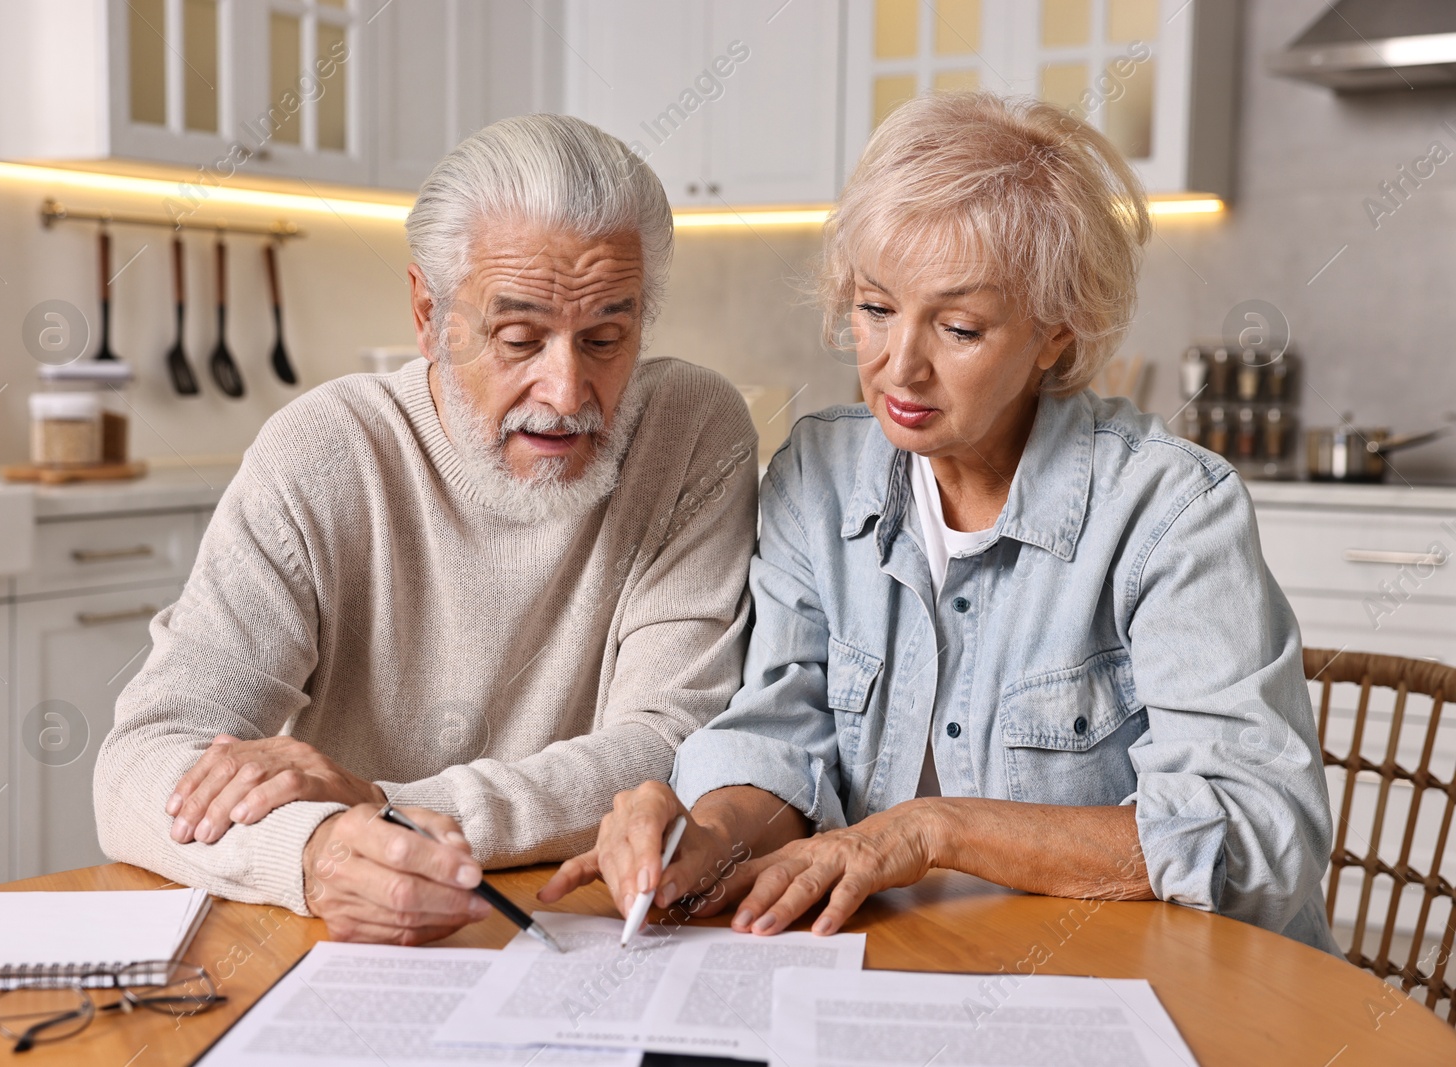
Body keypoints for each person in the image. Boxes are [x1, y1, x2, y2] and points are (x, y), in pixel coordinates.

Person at [542, 92, 1337, 954]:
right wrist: (705, 835)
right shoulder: (820, 477)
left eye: (959, 327)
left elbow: (1260, 835)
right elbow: (778, 732)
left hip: (1157, 984)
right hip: (917, 970)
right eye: (876, 309)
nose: (898, 366)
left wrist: (933, 831)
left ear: (1055, 336)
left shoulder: (1170, 509)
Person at [93, 114, 759, 946]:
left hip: (588, 919)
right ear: (428, 312)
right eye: (519, 338)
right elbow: (139, 763)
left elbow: (668, 746)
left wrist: (382, 804)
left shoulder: (692, 431)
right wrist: (315, 850)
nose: (565, 389)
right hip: (354, 931)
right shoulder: (323, 452)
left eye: (605, 339)